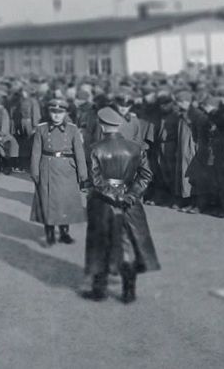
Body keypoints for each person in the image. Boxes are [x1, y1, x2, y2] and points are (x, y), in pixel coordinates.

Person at [83, 107, 159, 303]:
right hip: (129, 202)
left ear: (102, 125)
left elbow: (95, 179)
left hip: (102, 203)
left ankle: (99, 290)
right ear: (119, 125)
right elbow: (146, 175)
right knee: (128, 244)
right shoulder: (136, 148)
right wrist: (131, 195)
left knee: (101, 243)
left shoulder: (95, 148)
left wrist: (112, 196)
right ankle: (128, 292)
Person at [29, 98, 88, 246]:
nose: (56, 116)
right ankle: (49, 233)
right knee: (47, 202)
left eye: (60, 113)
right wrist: (34, 171)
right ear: (49, 113)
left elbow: (79, 152)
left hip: (67, 168)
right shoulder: (41, 129)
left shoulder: (73, 129)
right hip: (47, 167)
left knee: (65, 201)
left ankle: (64, 233)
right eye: (54, 112)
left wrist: (83, 172)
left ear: (65, 113)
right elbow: (36, 152)